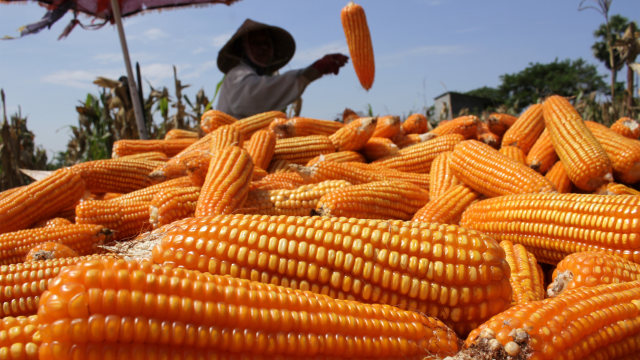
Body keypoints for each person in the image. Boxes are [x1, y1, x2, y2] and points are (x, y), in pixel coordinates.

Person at [216, 19, 349, 119]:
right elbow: (254, 97)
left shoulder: (255, 75)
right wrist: (311, 72)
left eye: (267, 44)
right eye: (256, 43)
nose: (263, 48)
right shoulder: (238, 74)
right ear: (243, 49)